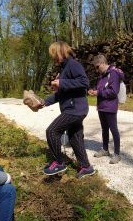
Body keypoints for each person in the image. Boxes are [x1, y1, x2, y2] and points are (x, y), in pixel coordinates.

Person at [38, 41, 95, 178]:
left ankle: (59, 162)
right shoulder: (64, 68)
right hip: (73, 109)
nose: (53, 57)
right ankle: (86, 167)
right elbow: (62, 94)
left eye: (54, 54)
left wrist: (62, 82)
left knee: (52, 131)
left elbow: (84, 82)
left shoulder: (73, 64)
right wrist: (45, 102)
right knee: (75, 137)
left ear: (61, 52)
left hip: (75, 109)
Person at [88, 55, 124, 164]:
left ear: (103, 63)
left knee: (114, 130)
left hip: (110, 107)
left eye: (97, 67)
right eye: (95, 67)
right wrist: (94, 90)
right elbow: (101, 88)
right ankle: (105, 150)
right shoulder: (102, 75)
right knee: (104, 129)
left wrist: (98, 93)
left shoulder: (113, 74)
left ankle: (117, 154)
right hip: (102, 106)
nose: (96, 69)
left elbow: (113, 91)